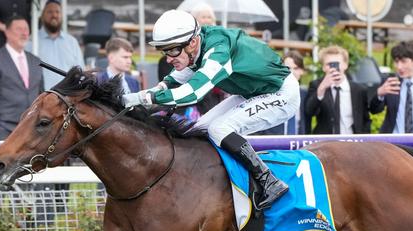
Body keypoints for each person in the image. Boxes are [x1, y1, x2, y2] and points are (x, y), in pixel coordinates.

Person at [122, 9, 299, 210]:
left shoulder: (219, 51)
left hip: (282, 93)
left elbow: (192, 93)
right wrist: (156, 90)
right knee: (201, 128)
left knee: (219, 129)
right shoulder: (197, 44)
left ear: (193, 43)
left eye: (172, 50)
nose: (168, 58)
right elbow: (177, 77)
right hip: (252, 92)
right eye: (165, 51)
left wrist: (143, 97)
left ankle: (269, 181)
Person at [0, 16, 43, 141]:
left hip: (33, 133)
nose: (24, 33)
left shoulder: (36, 61)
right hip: (5, 131)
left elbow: (42, 96)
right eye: (19, 29)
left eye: (26, 29)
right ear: (7, 32)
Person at [305, 46, 373, 135]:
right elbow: (309, 111)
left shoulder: (359, 90)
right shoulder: (317, 85)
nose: (333, 68)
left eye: (337, 64)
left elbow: (365, 119)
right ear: (323, 67)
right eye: (329, 64)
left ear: (345, 65)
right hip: (326, 142)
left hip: (352, 141)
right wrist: (321, 89)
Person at [35, 0, 84, 89]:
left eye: (57, 12)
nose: (54, 15)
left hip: (66, 98)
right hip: (41, 98)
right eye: (50, 12)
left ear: (62, 16)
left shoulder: (72, 42)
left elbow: (80, 72)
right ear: (42, 16)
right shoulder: (32, 41)